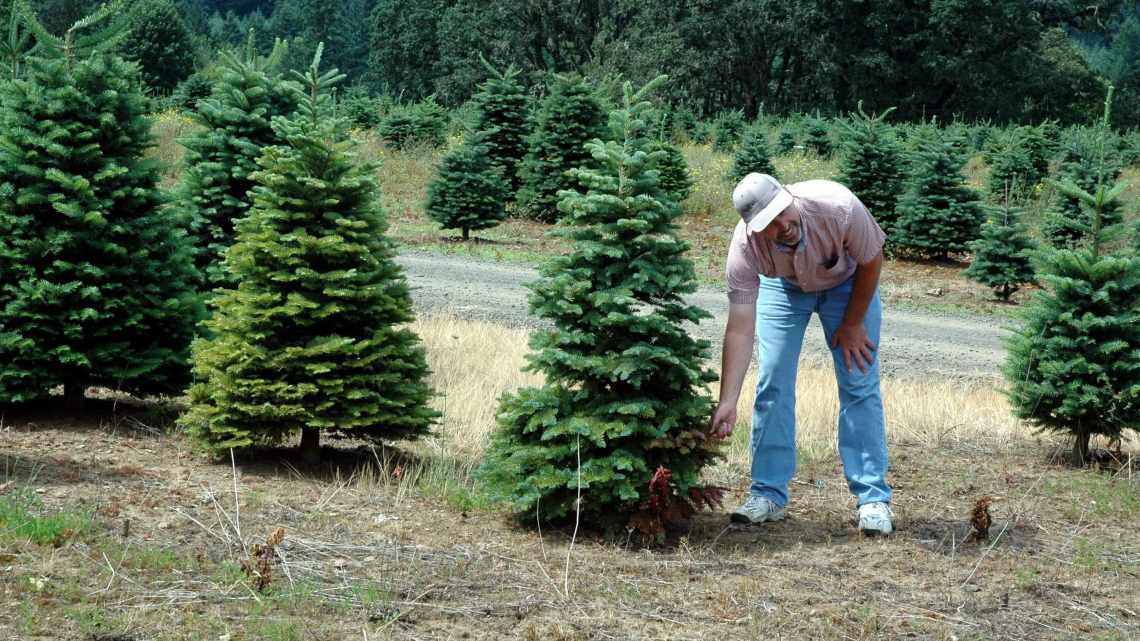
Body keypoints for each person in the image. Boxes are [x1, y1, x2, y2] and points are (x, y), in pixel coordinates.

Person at [708, 172, 893, 535]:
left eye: (782, 213)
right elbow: (740, 327)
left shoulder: (839, 207)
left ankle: (873, 497)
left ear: (788, 196)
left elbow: (872, 260)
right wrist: (728, 399)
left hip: (848, 284)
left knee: (859, 380)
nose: (782, 227)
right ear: (753, 228)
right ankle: (768, 493)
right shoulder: (745, 248)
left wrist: (853, 323)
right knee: (772, 378)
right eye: (769, 224)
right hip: (785, 287)